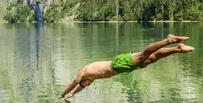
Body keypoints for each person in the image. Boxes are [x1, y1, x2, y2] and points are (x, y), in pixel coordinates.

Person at [61, 34, 195, 99]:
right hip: (121, 67)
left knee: (144, 54)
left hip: (118, 63)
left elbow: (72, 84)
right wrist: (72, 94)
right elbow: (80, 87)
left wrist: (63, 94)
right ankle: (178, 49)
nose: (87, 84)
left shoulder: (83, 73)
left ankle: (169, 40)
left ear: (84, 80)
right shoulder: (91, 77)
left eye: (86, 83)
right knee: (151, 59)